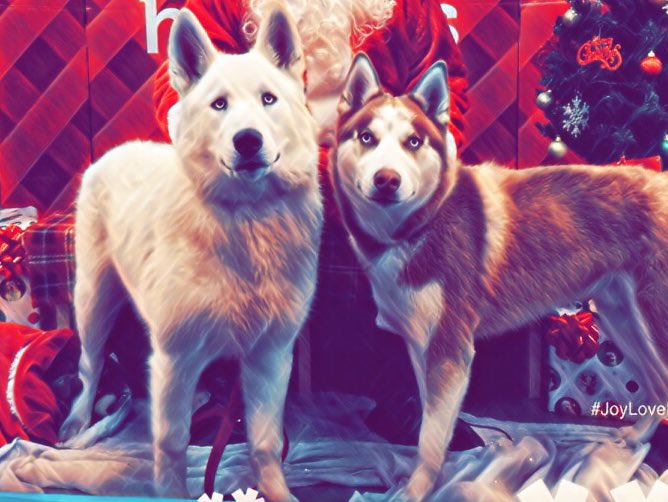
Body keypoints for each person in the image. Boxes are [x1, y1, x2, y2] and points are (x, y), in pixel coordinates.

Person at [152, 0, 471, 445]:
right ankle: (229, 391)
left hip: (369, 161)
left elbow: (444, 90)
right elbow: (183, 91)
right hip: (258, 164)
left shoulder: (411, 8)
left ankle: (406, 391)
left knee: (429, 221)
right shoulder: (223, 4)